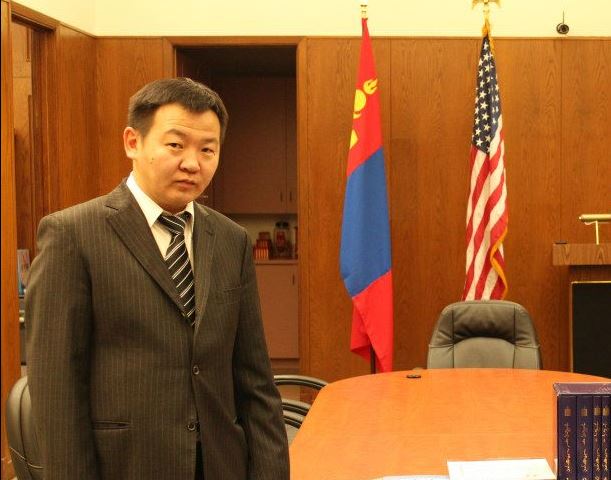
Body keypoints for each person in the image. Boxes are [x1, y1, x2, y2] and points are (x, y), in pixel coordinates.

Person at [26, 77, 290, 479]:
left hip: (221, 464)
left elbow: (255, 379)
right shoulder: (72, 235)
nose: (193, 163)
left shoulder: (231, 240)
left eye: (208, 149)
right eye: (176, 145)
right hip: (127, 466)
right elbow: (56, 387)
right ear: (133, 142)